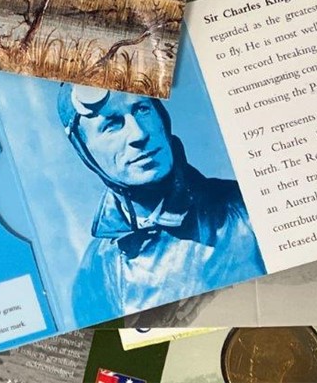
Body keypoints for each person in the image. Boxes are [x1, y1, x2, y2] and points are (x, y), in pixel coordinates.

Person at [56, 84, 265, 325]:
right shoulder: (95, 274)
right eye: (112, 124)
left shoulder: (246, 209)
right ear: (85, 151)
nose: (139, 134)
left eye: (142, 109)